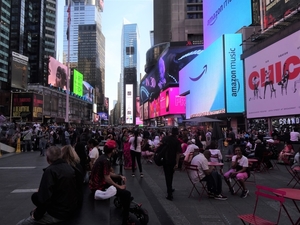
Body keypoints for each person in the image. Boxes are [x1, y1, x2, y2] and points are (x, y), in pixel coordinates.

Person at [16, 146, 79, 225]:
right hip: (68, 209)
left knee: (22, 223)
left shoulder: (50, 171)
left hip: (58, 213)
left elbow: (44, 198)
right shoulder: (69, 168)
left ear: (48, 158)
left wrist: (36, 215)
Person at [89, 140, 132, 225]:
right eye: (115, 149)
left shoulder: (103, 157)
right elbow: (107, 178)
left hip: (97, 184)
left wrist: (119, 176)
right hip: (99, 187)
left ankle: (121, 201)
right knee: (127, 194)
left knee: (119, 178)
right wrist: (119, 187)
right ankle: (125, 220)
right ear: (112, 150)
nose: (116, 150)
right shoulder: (106, 160)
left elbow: (107, 173)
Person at [162, 127, 182, 200]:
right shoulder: (177, 141)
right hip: (172, 160)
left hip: (165, 160)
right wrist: (177, 163)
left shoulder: (166, 138)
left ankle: (169, 191)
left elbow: (160, 146)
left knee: (167, 176)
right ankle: (169, 191)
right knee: (171, 175)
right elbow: (178, 153)